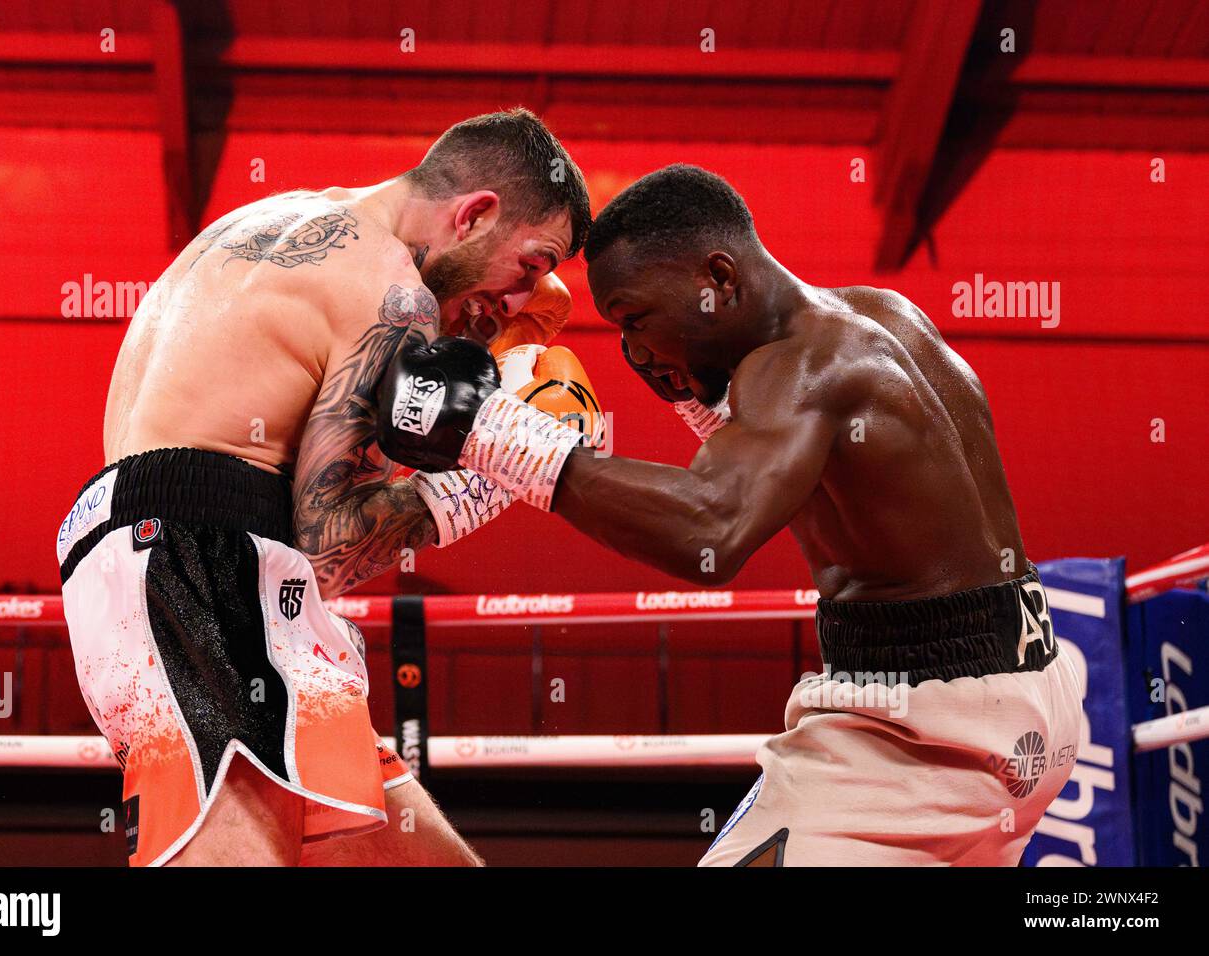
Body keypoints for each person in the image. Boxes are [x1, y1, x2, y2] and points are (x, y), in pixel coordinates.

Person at [375, 164, 1084, 866]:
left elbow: (710, 534)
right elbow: (826, 477)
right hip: (1032, 695)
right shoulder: (879, 315)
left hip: (915, 734)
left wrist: (494, 433)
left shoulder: (802, 366)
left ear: (717, 278)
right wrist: (703, 406)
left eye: (636, 318)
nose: (637, 350)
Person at [55, 109, 594, 866]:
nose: (519, 299)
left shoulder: (272, 219)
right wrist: (500, 473)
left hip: (181, 556)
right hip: (196, 565)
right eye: (530, 265)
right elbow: (332, 551)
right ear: (476, 214)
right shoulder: (394, 296)